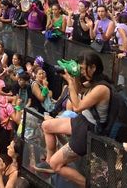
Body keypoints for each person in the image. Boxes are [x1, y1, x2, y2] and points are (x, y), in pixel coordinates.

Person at [37, 52, 112, 187]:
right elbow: (79, 91)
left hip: (89, 130)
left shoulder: (102, 88)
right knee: (46, 125)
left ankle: (88, 185)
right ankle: (49, 160)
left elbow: (77, 106)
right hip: (82, 121)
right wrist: (73, 77)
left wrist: (71, 83)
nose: (81, 72)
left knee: (56, 164)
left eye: (83, 68)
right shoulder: (92, 83)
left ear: (93, 68)